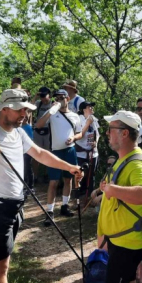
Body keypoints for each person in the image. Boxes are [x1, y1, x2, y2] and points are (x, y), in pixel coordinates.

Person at [0, 88, 82, 283]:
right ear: (4, 109)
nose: (24, 113)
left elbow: (40, 154)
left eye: (26, 109)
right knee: (0, 266)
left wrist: (69, 167)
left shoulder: (19, 132)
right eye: (19, 109)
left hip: (14, 206)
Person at [97, 111, 142, 283]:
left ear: (124, 133)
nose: (107, 134)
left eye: (110, 129)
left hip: (127, 243)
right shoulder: (124, 158)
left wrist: (113, 189)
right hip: (120, 239)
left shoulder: (137, 162)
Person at [35, 89, 90, 226]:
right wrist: (51, 110)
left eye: (62, 97)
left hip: (69, 150)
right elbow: (39, 125)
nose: (59, 99)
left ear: (67, 99)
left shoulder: (74, 116)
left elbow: (79, 134)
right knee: (53, 182)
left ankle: (65, 206)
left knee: (68, 179)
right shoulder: (53, 114)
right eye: (57, 97)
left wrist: (73, 138)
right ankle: (50, 211)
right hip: (55, 152)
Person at [76, 101, 100, 200]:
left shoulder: (94, 119)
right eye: (89, 107)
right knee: (81, 175)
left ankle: (90, 196)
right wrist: (87, 124)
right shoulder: (78, 120)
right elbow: (78, 136)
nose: (91, 108)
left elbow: (97, 134)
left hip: (93, 153)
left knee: (91, 175)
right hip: (81, 153)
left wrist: (96, 142)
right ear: (84, 109)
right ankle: (78, 196)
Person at [32, 87, 52, 183]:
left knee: (48, 154)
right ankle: (35, 176)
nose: (43, 99)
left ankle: (48, 175)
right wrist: (35, 98)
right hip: (38, 131)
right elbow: (29, 108)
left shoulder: (53, 104)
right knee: (36, 154)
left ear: (49, 95)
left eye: (44, 96)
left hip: (49, 132)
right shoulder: (38, 103)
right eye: (41, 96)